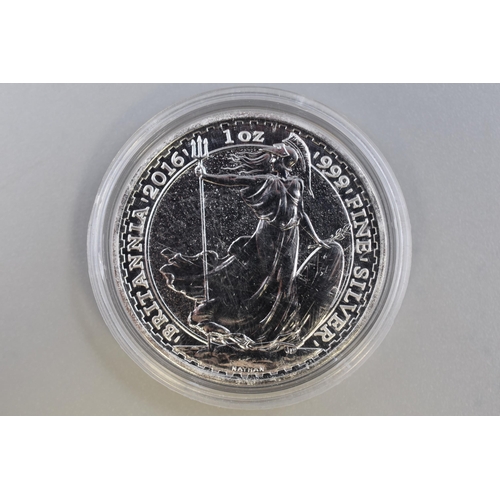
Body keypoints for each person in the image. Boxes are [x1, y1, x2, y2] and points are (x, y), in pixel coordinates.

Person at [161, 133, 344, 352]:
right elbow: (234, 179)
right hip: (268, 235)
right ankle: (251, 328)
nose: (272, 161)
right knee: (264, 282)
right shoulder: (267, 181)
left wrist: (316, 239)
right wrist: (206, 176)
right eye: (273, 157)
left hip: (290, 237)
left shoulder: (297, 183)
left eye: (276, 158)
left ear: (287, 161)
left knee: (285, 285)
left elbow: (301, 214)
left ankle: (281, 333)